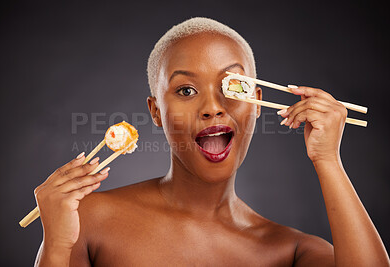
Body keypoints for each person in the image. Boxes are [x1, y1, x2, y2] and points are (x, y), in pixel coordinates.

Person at [34, 17, 389, 266]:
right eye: (186, 90)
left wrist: (328, 160)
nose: (212, 108)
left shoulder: (294, 251)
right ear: (156, 112)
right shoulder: (87, 220)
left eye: (231, 87)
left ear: (257, 101)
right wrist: (56, 247)